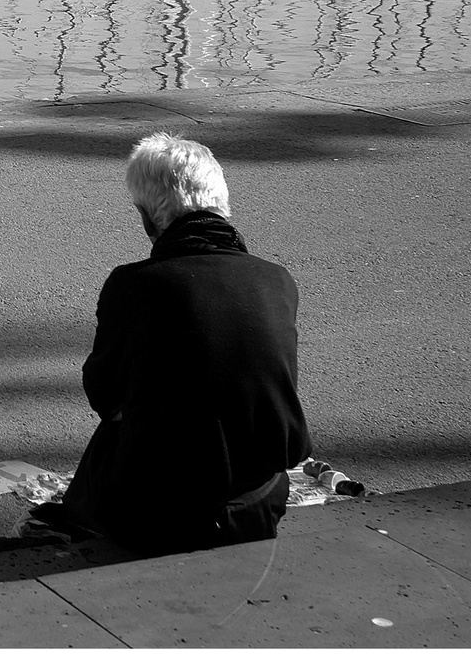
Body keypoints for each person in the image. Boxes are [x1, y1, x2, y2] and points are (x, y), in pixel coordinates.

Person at [48, 132, 311, 557]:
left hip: (158, 518)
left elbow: (105, 397)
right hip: (259, 506)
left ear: (146, 218)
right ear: (221, 204)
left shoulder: (134, 285)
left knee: (113, 435)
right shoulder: (276, 280)